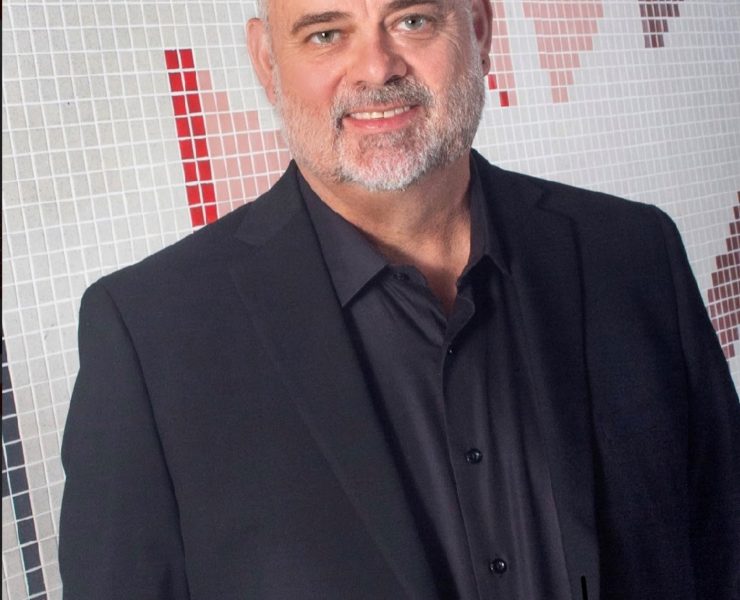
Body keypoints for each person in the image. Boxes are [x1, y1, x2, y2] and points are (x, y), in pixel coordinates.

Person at [59, 1, 739, 598]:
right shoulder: (151, 339)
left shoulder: (632, 253)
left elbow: (724, 545)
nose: (376, 69)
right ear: (267, 62)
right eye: (325, 34)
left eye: (412, 20)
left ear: (478, 24)